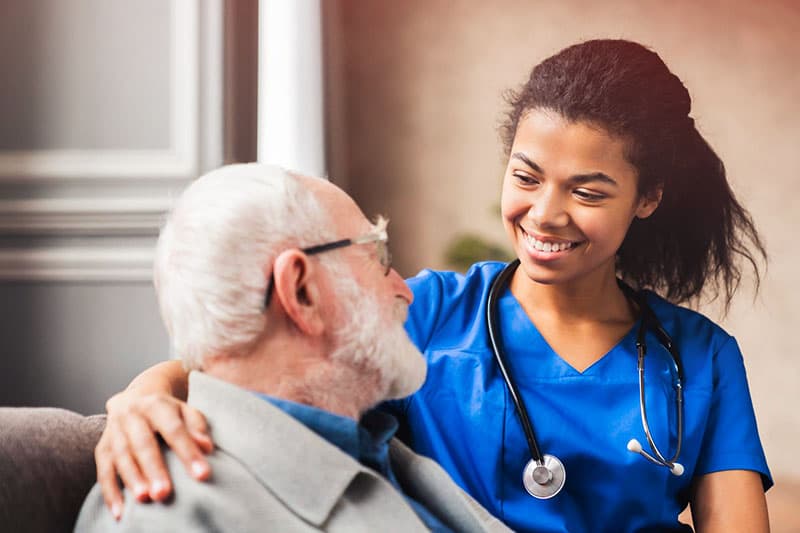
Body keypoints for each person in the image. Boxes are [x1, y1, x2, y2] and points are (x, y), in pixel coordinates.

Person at [94, 40, 772, 532]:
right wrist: (141, 398)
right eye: (526, 176)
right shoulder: (424, 312)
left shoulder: (703, 358)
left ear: (647, 196)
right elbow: (252, 360)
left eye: (588, 191)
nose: (545, 214)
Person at [76, 164, 510, 532]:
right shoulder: (166, 513)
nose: (405, 290)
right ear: (301, 291)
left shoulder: (381, 451)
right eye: (377, 256)